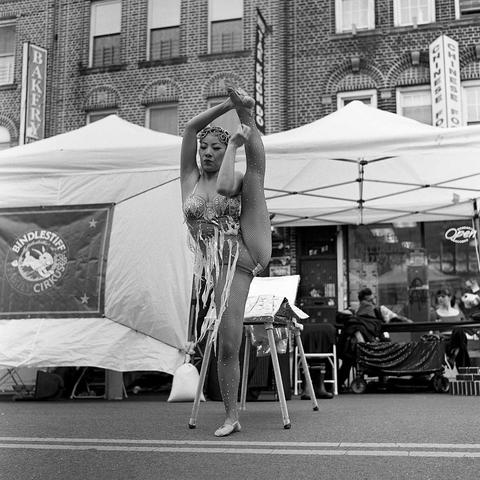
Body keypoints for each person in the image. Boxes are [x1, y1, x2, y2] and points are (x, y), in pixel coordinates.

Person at [181, 87, 271, 437]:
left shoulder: (231, 180)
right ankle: (231, 412)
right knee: (220, 342)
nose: (206, 153)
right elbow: (190, 129)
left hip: (237, 257)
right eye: (204, 148)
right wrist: (226, 105)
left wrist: (241, 126)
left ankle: (231, 415)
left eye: (215, 148)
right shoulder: (189, 179)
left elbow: (228, 183)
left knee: (227, 342)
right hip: (210, 265)